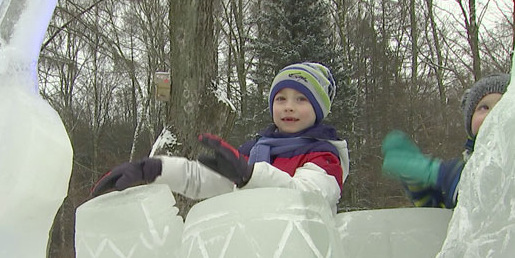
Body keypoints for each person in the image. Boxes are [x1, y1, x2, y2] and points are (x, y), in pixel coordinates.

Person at [91, 62, 350, 212]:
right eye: (280, 98)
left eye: (301, 99)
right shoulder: (255, 152)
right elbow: (201, 180)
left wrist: (250, 176)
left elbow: (309, 199)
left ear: (318, 109)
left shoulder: (324, 156)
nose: (289, 106)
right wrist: (154, 169)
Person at [381, 73, 511, 208]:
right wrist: (420, 186)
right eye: (484, 107)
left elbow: (491, 190)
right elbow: (447, 219)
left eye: (503, 105)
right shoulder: (467, 164)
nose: (493, 114)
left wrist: (442, 173)